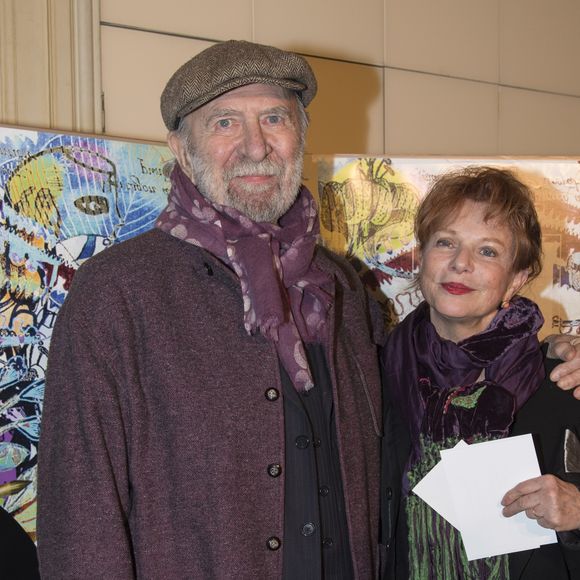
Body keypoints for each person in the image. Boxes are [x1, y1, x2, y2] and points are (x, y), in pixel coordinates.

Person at [36, 40, 383, 579]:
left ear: (301, 136)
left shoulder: (337, 284)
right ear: (180, 147)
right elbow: (79, 514)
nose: (255, 146)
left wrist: (547, 364)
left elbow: (413, 404)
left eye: (274, 118)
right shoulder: (117, 293)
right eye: (224, 123)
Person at [379, 166, 580, 579]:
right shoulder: (371, 377)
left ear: (516, 279)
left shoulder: (564, 382)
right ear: (422, 258)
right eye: (446, 242)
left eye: (487, 251)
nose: (460, 263)